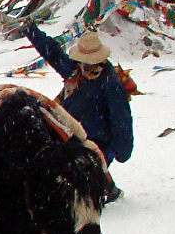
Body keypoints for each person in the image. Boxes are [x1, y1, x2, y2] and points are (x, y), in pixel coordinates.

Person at [24, 23, 133, 198]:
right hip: (71, 135)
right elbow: (53, 53)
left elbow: (121, 120)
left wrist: (123, 150)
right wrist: (31, 31)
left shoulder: (111, 83)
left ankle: (107, 190)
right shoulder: (76, 71)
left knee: (83, 182)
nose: (85, 65)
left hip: (99, 143)